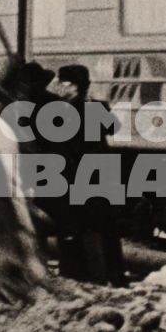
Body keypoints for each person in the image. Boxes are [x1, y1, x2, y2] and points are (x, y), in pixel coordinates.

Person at [51, 65, 126, 286]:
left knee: (84, 226)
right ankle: (115, 275)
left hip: (81, 174)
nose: (58, 86)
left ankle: (91, 276)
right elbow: (114, 128)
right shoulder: (96, 106)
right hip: (103, 171)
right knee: (109, 227)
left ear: (73, 86)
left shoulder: (61, 111)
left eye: (62, 82)